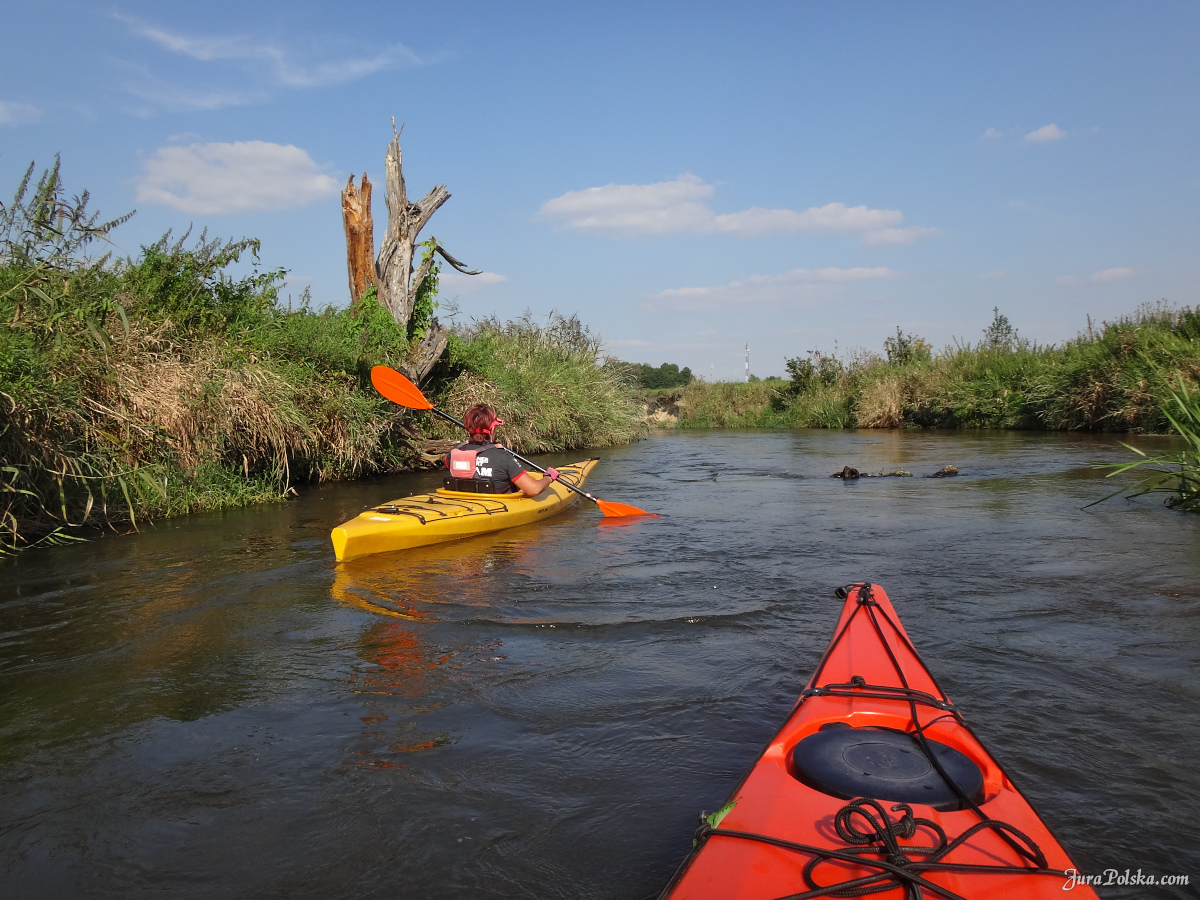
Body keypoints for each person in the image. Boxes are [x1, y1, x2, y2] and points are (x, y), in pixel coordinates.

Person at [443, 403, 560, 496]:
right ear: (493, 429)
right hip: (496, 507)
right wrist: (548, 477)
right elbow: (534, 489)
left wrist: (467, 446)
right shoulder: (502, 457)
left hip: (464, 503)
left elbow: (447, 462)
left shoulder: (454, 453)